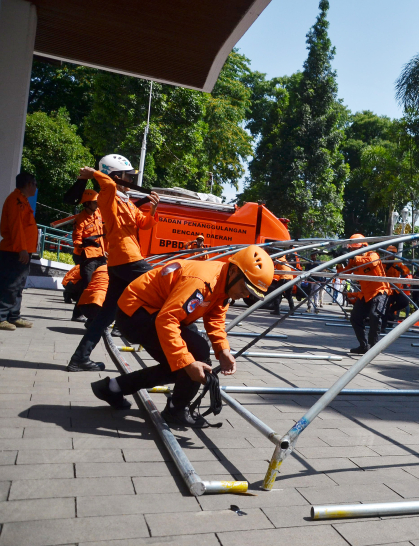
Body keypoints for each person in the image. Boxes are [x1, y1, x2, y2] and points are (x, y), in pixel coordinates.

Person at [90, 245, 274, 426]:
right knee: (196, 354)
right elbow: (167, 320)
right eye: (244, 288)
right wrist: (187, 362)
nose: (243, 296)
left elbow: (215, 319)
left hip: (150, 312)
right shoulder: (202, 281)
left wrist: (223, 350)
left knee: (182, 366)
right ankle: (176, 410)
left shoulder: (223, 285)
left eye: (250, 293)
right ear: (234, 271)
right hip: (135, 314)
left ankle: (112, 388)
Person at [66, 155, 159, 372]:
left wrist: (153, 208)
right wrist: (95, 174)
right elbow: (106, 182)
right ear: (118, 177)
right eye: (129, 176)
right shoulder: (108, 194)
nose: (132, 179)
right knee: (162, 287)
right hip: (127, 258)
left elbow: (144, 224)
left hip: (121, 260)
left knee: (104, 316)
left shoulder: (125, 200)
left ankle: (80, 358)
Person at [338, 234, 391, 354]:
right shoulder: (353, 259)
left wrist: (352, 257)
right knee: (355, 317)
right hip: (365, 293)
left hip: (380, 291)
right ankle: (363, 345)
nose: (352, 251)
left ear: (363, 246)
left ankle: (373, 347)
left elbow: (371, 263)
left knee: (375, 316)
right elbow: (343, 274)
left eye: (354, 249)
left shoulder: (372, 255)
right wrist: (339, 262)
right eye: (351, 249)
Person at [0, 172, 38, 331]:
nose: (36, 188)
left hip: (22, 251)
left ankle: (13, 316)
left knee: (18, 285)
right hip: (14, 251)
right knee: (10, 285)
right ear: (29, 184)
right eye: (34, 184)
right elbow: (16, 228)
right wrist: (21, 249)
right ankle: (2, 316)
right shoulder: (16, 201)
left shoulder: (23, 201)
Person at [72, 189, 107, 292]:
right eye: (95, 202)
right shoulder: (80, 219)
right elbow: (76, 238)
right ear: (87, 203)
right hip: (88, 256)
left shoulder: (98, 213)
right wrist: (81, 245)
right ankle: (72, 290)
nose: (97, 204)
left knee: (102, 280)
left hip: (100, 254)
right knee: (87, 284)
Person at [383, 245, 411, 328]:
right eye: (389, 253)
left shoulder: (398, 263)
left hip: (396, 289)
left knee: (404, 302)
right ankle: (383, 326)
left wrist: (401, 270)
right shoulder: (383, 263)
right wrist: (387, 268)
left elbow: (406, 272)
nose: (390, 255)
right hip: (387, 288)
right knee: (385, 306)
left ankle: (391, 311)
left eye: (392, 253)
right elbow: (380, 273)